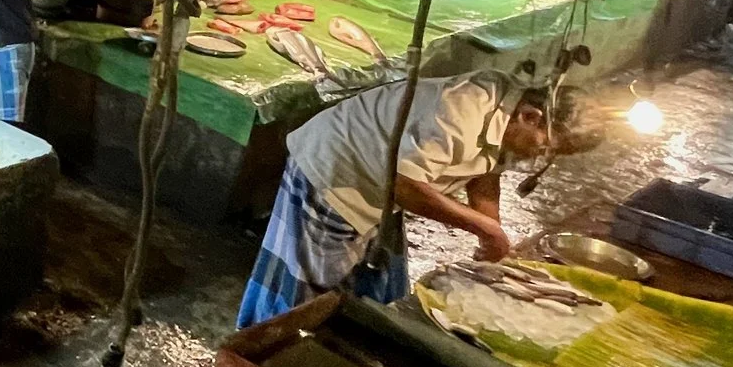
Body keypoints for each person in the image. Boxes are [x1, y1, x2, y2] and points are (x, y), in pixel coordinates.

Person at [237, 77, 557, 327]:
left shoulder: (510, 118)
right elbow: (405, 187)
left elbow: (486, 171)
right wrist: (484, 228)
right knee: (302, 291)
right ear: (530, 117)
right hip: (339, 171)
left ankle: (347, 348)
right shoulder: (460, 111)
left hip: (381, 187)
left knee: (381, 285)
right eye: (545, 149)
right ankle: (258, 359)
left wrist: (492, 231)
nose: (539, 156)